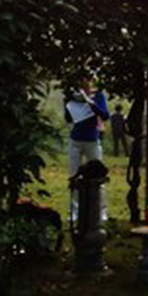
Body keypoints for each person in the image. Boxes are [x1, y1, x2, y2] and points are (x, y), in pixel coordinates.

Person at [64, 79, 110, 219]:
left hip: (92, 140)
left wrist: (91, 103)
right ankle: (74, 211)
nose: (85, 87)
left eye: (87, 85)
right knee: (74, 176)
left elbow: (105, 115)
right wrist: (66, 104)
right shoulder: (74, 98)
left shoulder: (98, 96)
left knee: (98, 176)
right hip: (76, 139)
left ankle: (101, 211)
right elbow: (68, 119)